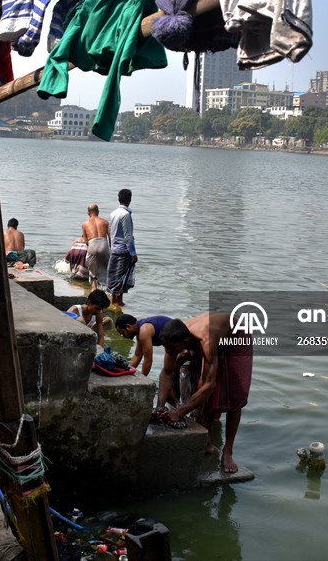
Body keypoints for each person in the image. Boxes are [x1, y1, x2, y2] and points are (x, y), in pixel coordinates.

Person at [157, 314, 253, 474]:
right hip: (212, 336)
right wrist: (160, 407)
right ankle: (206, 440)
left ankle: (227, 452)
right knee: (199, 384)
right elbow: (166, 373)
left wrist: (179, 412)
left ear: (184, 343)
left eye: (171, 350)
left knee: (234, 397)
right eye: (166, 349)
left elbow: (210, 385)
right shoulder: (174, 337)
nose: (168, 352)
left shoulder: (206, 340)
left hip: (237, 336)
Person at [115, 313, 171, 377]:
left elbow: (148, 360)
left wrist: (142, 379)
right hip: (169, 344)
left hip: (177, 340)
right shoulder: (139, 332)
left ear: (128, 327)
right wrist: (125, 371)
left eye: (122, 333)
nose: (123, 336)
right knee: (168, 371)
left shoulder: (144, 331)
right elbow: (137, 356)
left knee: (168, 371)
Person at [106, 188, 136, 307]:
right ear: (129, 200)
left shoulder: (113, 213)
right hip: (123, 251)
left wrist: (111, 246)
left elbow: (110, 232)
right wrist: (133, 253)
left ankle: (115, 301)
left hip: (114, 249)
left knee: (115, 277)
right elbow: (128, 236)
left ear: (119, 198)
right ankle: (118, 302)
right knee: (122, 277)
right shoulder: (125, 214)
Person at [81, 203, 110, 291]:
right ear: (98, 212)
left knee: (93, 275)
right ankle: (109, 296)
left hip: (92, 245)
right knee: (106, 272)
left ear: (88, 212)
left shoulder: (85, 224)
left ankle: (94, 291)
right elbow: (111, 239)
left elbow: (86, 242)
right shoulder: (105, 222)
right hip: (104, 245)